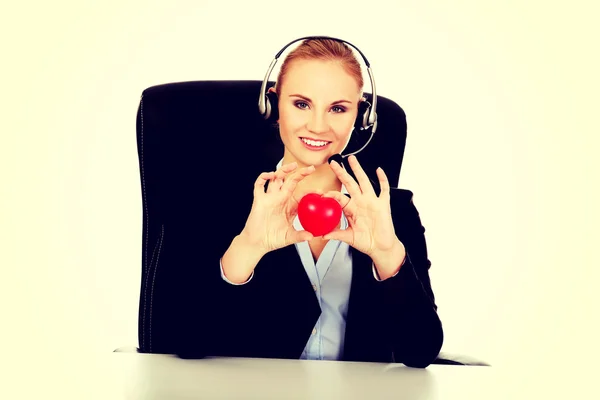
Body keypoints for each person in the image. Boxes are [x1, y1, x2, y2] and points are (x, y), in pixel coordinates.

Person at [175, 37, 443, 368]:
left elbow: (420, 352)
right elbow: (185, 341)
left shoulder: (391, 210)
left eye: (338, 108)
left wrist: (387, 255)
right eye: (301, 104)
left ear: (361, 115)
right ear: (272, 106)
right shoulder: (222, 202)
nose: (317, 126)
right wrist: (248, 247)